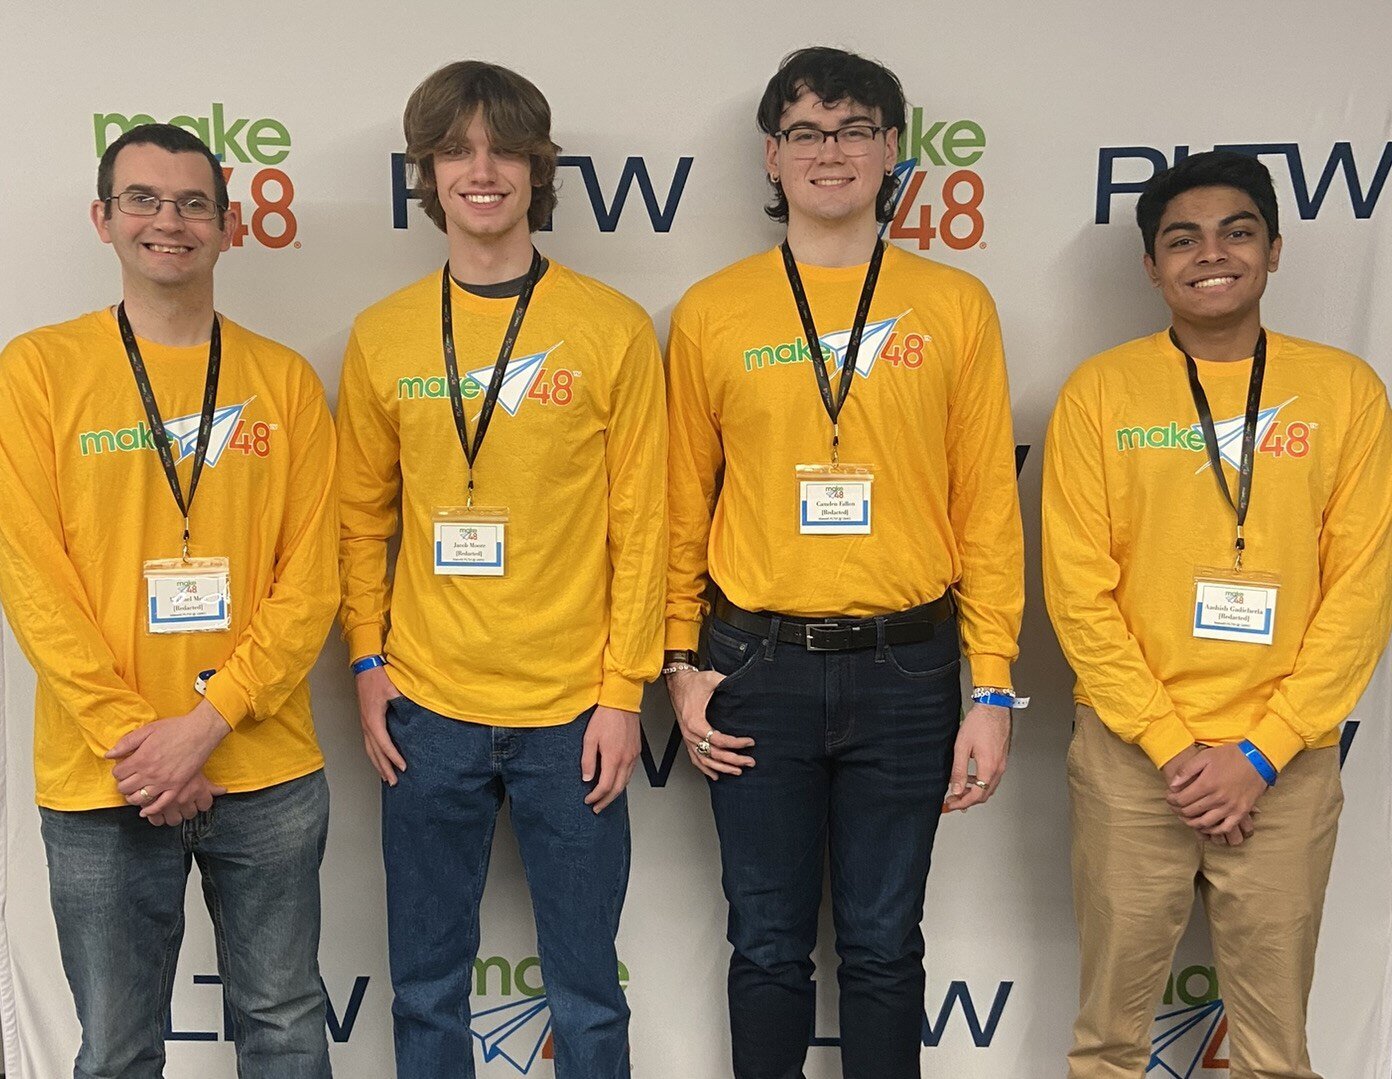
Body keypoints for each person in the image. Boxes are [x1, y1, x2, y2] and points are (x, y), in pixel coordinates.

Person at [662, 46, 1025, 1079]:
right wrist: (678, 661)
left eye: (855, 128)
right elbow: (683, 508)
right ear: (772, 159)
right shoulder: (712, 311)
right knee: (767, 943)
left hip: (907, 668)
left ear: (892, 153)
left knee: (882, 945)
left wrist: (991, 686)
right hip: (752, 665)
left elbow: (987, 513)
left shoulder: (955, 306)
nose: (833, 151)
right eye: (808, 132)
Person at [336, 60, 667, 1078]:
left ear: (537, 167)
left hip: (573, 712)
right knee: (428, 988)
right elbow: (359, 519)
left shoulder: (610, 328)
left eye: (503, 148)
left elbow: (643, 526)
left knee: (588, 994)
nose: (482, 170)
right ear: (427, 175)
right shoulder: (384, 334)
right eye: (456, 149)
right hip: (427, 711)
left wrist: (622, 694)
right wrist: (367, 663)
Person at [1043, 150, 1392, 1078]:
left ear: (1274, 250)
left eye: (1237, 231)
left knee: (1275, 1050)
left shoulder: (1347, 392)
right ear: (1152, 267)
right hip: (1132, 758)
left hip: (1284, 764)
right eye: (1182, 238)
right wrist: (1171, 746)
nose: (1212, 253)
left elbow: (1361, 590)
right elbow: (1079, 592)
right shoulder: (1101, 392)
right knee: (1110, 1043)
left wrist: (1262, 752)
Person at [0, 122, 338, 1077]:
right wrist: (140, 741)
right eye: (144, 199)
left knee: (284, 1027)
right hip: (104, 772)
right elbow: (31, 581)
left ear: (230, 228)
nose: (170, 222)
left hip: (262, 769)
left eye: (194, 203)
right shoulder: (36, 373)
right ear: (103, 218)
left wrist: (206, 722)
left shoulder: (283, 381)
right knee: (116, 1048)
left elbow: (309, 581)